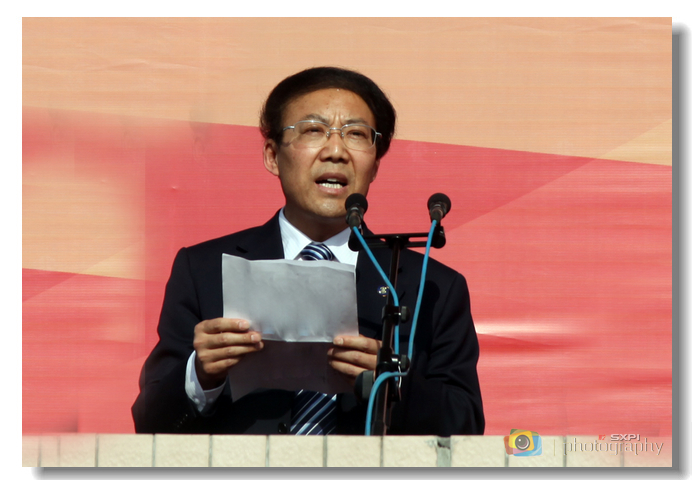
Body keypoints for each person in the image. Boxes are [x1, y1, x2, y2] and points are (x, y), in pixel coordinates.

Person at [132, 66, 484, 436]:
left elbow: (465, 427)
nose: (336, 151)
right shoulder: (203, 270)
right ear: (272, 156)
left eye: (356, 134)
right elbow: (150, 423)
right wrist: (201, 375)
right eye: (314, 130)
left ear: (376, 165)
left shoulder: (431, 286)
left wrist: (389, 384)